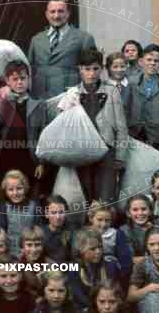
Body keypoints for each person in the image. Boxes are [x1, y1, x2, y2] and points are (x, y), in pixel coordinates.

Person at [57, 48, 128, 203]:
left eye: (95, 69)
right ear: (80, 69)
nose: (91, 73)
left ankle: (105, 225)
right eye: (87, 69)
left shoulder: (111, 91)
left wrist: (120, 156)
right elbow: (63, 125)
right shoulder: (72, 93)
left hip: (106, 151)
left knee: (106, 195)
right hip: (81, 151)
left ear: (102, 69)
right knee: (84, 194)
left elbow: (121, 127)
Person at [0, 60, 50, 191]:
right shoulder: (5, 100)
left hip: (28, 157)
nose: (20, 82)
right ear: (8, 81)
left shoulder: (39, 104)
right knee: (5, 192)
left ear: (28, 79)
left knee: (27, 190)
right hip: (5, 156)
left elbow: (43, 134)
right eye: (15, 79)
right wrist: (5, 99)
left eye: (23, 78)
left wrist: (41, 163)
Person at [28, 0, 96, 98]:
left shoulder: (84, 38)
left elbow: (92, 72)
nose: (56, 16)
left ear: (68, 13)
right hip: (40, 98)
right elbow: (30, 70)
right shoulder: (36, 39)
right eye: (52, 12)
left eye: (60, 11)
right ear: (47, 14)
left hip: (71, 97)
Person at [127, 226, 159, 313]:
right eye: (152, 244)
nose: (156, 248)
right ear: (147, 246)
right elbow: (131, 296)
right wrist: (149, 288)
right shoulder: (142, 265)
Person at [68, 229, 119, 312]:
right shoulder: (73, 269)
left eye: (100, 247)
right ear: (81, 250)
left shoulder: (110, 266)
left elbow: (114, 294)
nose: (98, 252)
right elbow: (77, 295)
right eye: (92, 249)